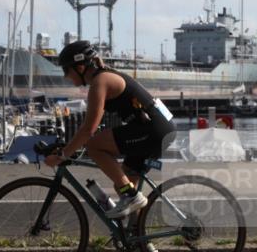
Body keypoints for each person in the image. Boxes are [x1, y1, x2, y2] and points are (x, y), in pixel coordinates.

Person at [45, 40, 176, 219]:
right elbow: (93, 124)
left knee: (94, 146)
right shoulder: (105, 76)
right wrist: (69, 147)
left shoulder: (101, 82)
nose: (66, 76)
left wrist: (63, 155)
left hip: (153, 130)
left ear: (80, 67)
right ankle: (141, 242)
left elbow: (88, 131)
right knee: (123, 184)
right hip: (158, 128)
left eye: (66, 70)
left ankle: (131, 196)